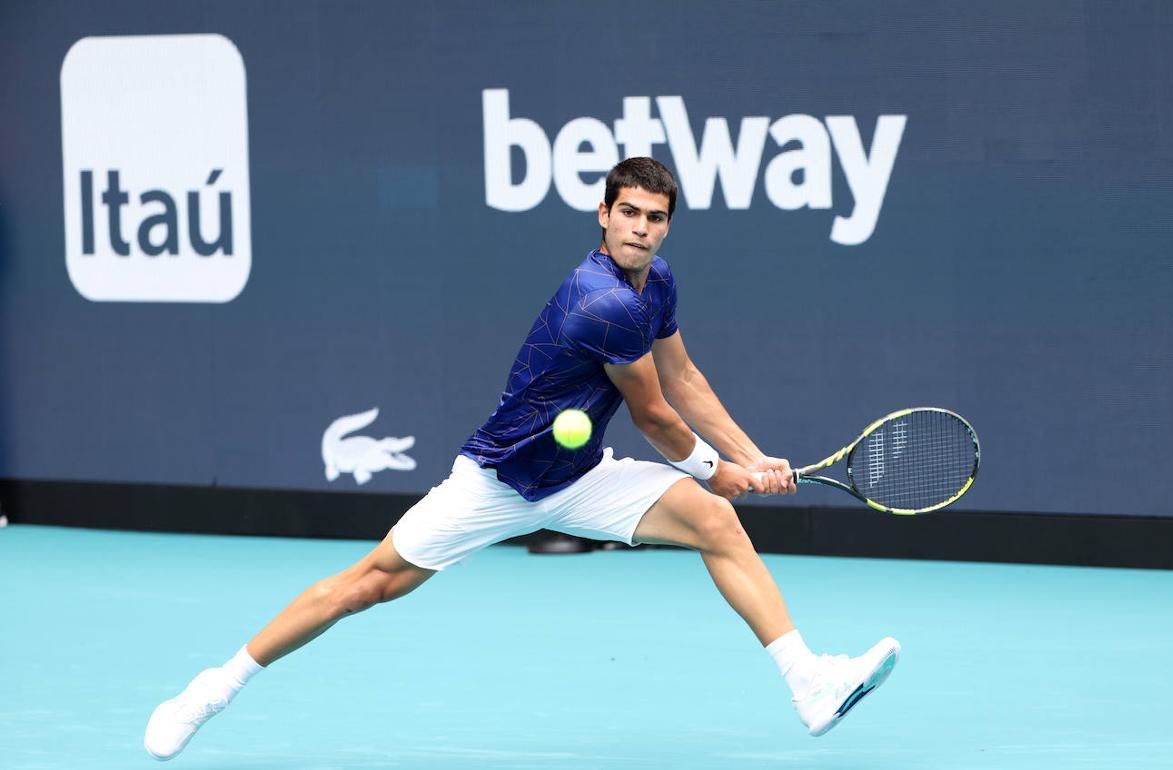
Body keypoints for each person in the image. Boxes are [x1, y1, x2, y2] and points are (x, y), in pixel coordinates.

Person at [143, 157, 899, 761]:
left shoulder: (655, 284)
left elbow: (685, 378)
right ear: (604, 217)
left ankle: (809, 684)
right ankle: (211, 690)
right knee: (366, 586)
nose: (640, 229)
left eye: (655, 218)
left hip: (579, 478)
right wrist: (719, 470)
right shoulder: (600, 301)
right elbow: (655, 415)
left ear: (668, 228)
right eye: (627, 213)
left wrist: (752, 455)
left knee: (714, 525)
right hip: (500, 480)